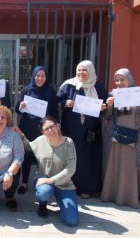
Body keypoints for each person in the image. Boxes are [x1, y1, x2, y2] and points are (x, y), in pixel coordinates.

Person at [101, 68, 140, 208]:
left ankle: (130, 197)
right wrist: (109, 106)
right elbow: (106, 117)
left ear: (129, 79)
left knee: (130, 166)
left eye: (122, 79)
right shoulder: (112, 94)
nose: (119, 82)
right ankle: (112, 194)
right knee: (115, 165)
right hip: (115, 136)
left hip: (133, 136)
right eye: (117, 80)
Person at [15, 116, 78, 226]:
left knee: (71, 221)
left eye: (52, 126)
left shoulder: (68, 142)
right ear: (43, 132)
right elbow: (29, 146)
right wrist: (21, 135)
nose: (50, 130)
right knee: (44, 192)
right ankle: (42, 204)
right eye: (46, 129)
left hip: (64, 183)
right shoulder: (40, 141)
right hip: (43, 179)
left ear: (58, 126)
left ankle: (62, 200)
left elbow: (71, 169)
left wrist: (51, 180)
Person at [57, 60, 107, 199]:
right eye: (79, 70)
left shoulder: (98, 86)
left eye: (84, 70)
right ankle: (68, 186)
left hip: (90, 130)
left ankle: (87, 188)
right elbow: (56, 101)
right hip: (72, 129)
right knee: (71, 157)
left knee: (88, 159)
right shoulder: (69, 85)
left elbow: (105, 106)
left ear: (91, 71)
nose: (81, 73)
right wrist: (64, 103)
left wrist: (104, 107)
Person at [15, 66, 59, 195]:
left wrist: (56, 125)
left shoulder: (50, 91)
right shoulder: (26, 90)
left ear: (46, 77)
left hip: (44, 129)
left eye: (43, 76)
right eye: (37, 75)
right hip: (27, 127)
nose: (40, 78)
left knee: (43, 157)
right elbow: (18, 110)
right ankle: (24, 183)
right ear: (33, 76)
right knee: (27, 156)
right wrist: (21, 106)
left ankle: (42, 181)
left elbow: (55, 111)